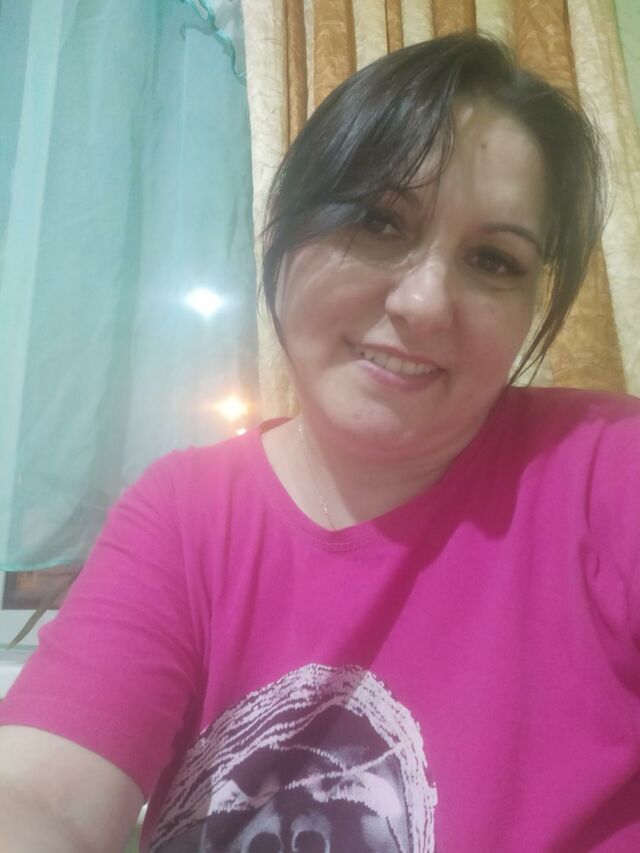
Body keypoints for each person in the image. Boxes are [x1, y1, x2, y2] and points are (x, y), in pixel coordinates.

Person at [1, 32, 639, 853]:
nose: (424, 303)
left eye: (492, 260)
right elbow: (41, 797)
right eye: (379, 220)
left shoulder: (606, 468)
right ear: (292, 222)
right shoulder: (186, 515)